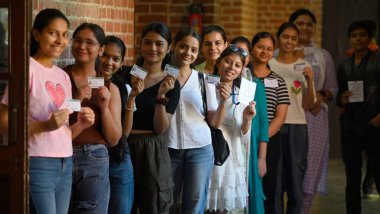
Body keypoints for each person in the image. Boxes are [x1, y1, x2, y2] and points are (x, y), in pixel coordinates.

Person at [0, 8, 95, 214]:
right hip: (37, 162)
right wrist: (45, 125)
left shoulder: (62, 76)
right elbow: (3, 122)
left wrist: (81, 124)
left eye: (64, 34)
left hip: (66, 161)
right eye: (53, 33)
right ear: (36, 34)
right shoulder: (27, 68)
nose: (60, 40)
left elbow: (63, 132)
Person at [116, 22, 180, 214]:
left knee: (154, 206)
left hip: (152, 150)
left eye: (159, 44)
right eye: (147, 42)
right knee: (121, 206)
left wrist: (161, 96)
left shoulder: (171, 84)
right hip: (123, 145)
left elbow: (160, 128)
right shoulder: (124, 74)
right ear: (140, 44)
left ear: (168, 47)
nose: (153, 48)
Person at [165, 26, 230, 214]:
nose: (188, 53)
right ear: (174, 46)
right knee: (167, 202)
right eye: (183, 47)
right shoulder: (163, 76)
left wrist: (223, 102)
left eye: (193, 50)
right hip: (169, 149)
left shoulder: (204, 79)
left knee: (194, 203)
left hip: (200, 149)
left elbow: (214, 122)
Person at [65, 23, 122, 213]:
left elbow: (114, 139)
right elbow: (54, 119)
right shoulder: (60, 77)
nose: (82, 46)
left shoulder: (110, 87)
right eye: (78, 41)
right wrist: (77, 99)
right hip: (62, 155)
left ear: (101, 49)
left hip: (94, 158)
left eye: (90, 42)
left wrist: (104, 108)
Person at [288, 9, 339, 213]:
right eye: (300, 23)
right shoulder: (278, 55)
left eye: (310, 24)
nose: (306, 28)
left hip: (315, 119)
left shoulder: (323, 55)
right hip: (288, 117)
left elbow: (333, 87)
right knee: (288, 168)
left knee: (311, 170)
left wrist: (321, 95)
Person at [268, 22, 315, 214]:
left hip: (297, 127)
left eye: (294, 38)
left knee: (296, 182)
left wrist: (310, 80)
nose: (289, 41)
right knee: (274, 183)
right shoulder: (269, 62)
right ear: (278, 38)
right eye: (285, 37)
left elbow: (308, 105)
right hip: (273, 127)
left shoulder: (304, 66)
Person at [203, 43, 256, 213]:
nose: (231, 67)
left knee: (223, 208)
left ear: (242, 70)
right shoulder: (206, 85)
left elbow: (244, 135)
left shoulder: (243, 93)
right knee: (204, 205)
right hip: (209, 152)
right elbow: (212, 123)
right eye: (227, 61)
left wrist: (248, 119)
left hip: (231, 155)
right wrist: (222, 101)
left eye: (237, 65)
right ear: (219, 62)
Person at [336, 20, 380, 214]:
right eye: (354, 35)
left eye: (362, 34)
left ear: (369, 37)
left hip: (375, 123)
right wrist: (341, 99)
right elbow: (339, 94)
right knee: (352, 177)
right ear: (349, 39)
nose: (358, 39)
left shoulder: (378, 59)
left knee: (379, 174)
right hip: (350, 126)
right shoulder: (344, 63)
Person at [250, 32, 290, 214]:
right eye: (260, 47)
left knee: (268, 190)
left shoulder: (279, 81)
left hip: (270, 143)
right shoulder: (242, 76)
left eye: (269, 49)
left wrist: (260, 138)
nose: (264, 52)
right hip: (242, 140)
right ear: (252, 49)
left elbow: (280, 117)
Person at [229, 36, 270, 214]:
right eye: (234, 51)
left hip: (250, 149)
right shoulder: (221, 80)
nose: (238, 56)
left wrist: (262, 158)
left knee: (251, 197)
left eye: (243, 53)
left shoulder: (255, 84)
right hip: (227, 146)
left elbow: (262, 123)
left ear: (248, 58)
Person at [98, 35, 138, 214]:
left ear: (122, 63)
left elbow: (126, 132)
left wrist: (131, 99)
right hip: (92, 159)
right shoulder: (85, 81)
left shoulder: (123, 87)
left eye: (115, 59)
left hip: (119, 158)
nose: (109, 62)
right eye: (105, 55)